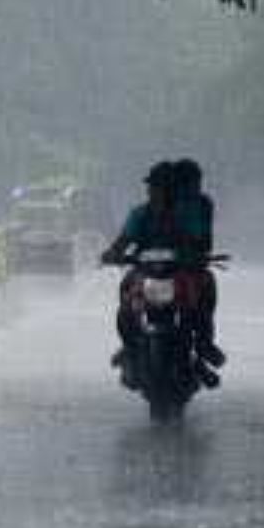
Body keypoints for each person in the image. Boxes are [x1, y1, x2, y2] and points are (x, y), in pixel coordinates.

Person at [102, 160, 224, 385]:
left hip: (181, 271)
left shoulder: (189, 210)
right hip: (146, 270)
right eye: (153, 187)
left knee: (204, 288)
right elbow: (123, 241)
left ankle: (203, 345)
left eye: (160, 187)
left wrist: (191, 250)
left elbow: (201, 241)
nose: (153, 191)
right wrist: (112, 254)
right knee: (126, 290)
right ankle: (130, 347)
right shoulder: (140, 213)